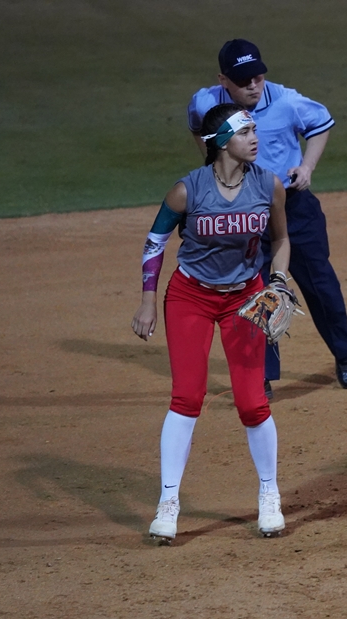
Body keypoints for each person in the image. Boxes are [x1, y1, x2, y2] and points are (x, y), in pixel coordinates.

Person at [132, 103, 291, 540]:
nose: (255, 138)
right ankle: (168, 502)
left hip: (244, 299)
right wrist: (147, 302)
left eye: (255, 129)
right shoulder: (188, 190)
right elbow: (154, 242)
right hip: (190, 298)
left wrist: (275, 280)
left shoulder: (269, 184)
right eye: (246, 132)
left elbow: (280, 238)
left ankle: (268, 494)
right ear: (221, 141)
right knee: (187, 396)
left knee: (252, 402)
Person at [187, 39, 347, 396]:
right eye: (243, 79)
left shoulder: (285, 101)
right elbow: (197, 126)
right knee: (254, 292)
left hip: (294, 208)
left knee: (319, 284)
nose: (253, 84)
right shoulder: (206, 103)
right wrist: (213, 165)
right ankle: (261, 374)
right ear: (223, 80)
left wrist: (307, 166)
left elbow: (321, 122)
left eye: (258, 76)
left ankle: (345, 354)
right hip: (243, 213)